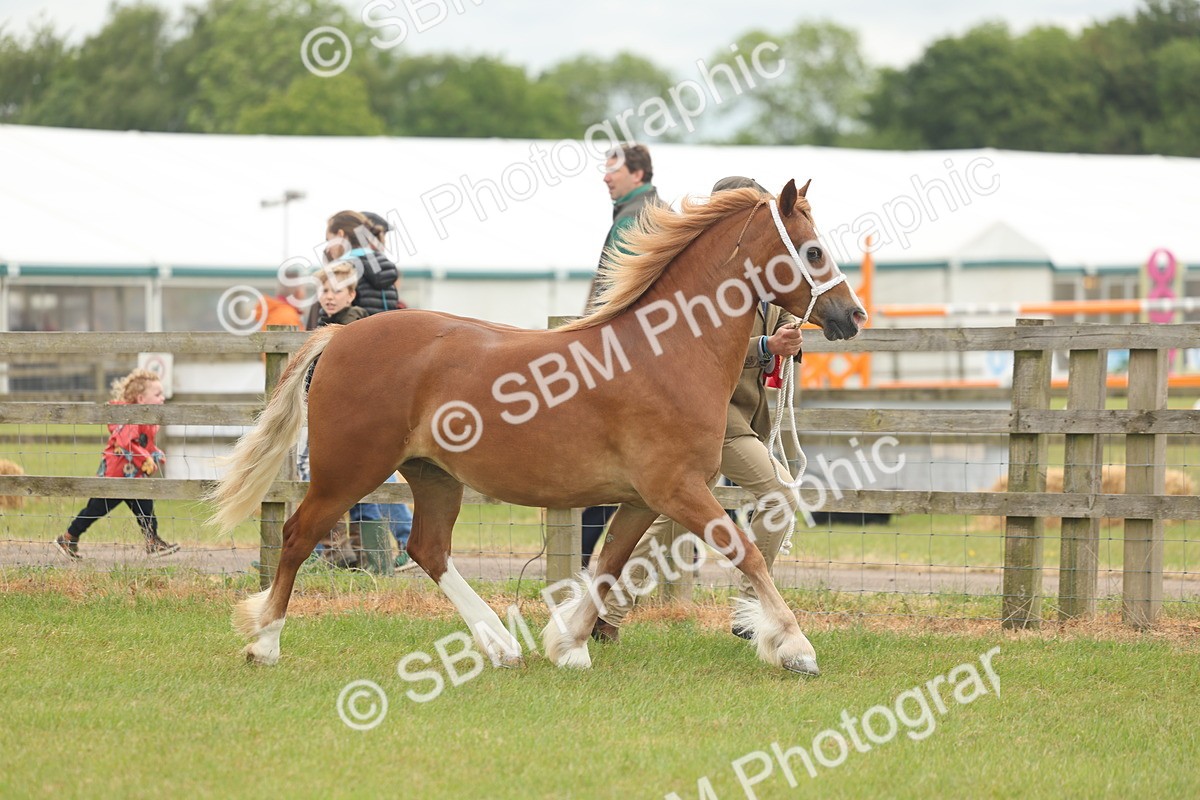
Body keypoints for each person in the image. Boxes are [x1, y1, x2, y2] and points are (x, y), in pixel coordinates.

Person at [591, 176, 804, 643]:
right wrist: (766, 344)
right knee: (778, 498)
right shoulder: (706, 283)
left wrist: (789, 336)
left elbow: (781, 329)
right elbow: (699, 350)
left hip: (738, 415)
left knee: (665, 514)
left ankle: (603, 612)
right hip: (709, 418)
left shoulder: (768, 274)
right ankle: (756, 609)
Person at [580, 143, 667, 567]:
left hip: (619, 355)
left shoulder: (638, 218)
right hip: (640, 355)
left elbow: (613, 292)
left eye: (613, 168)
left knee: (601, 472)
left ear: (638, 174)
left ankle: (578, 566)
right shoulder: (653, 211)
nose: (605, 176)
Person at [55, 369, 179, 560]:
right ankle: (68, 537)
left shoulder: (148, 419)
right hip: (116, 475)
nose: (163, 398)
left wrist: (155, 454)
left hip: (135, 476)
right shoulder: (129, 418)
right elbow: (126, 444)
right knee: (95, 509)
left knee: (146, 508)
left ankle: (152, 541)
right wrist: (145, 458)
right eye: (157, 394)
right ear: (141, 399)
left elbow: (146, 443)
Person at [306, 210, 400, 328]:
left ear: (340, 235)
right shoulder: (385, 266)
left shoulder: (341, 270)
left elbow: (324, 318)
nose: (329, 248)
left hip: (354, 340)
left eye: (329, 240)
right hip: (387, 339)